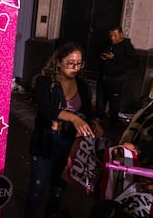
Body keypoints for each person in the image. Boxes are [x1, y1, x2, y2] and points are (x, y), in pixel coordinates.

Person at [25, 42, 104, 218]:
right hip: (46, 142)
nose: (75, 67)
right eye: (71, 63)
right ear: (59, 62)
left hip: (68, 143)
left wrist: (94, 123)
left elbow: (88, 113)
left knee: (58, 189)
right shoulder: (44, 81)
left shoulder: (83, 85)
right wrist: (73, 117)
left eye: (79, 63)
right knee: (37, 189)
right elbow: (46, 109)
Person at [95, 25, 136, 128]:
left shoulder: (126, 45)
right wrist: (101, 56)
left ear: (121, 34)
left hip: (116, 78)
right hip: (103, 76)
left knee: (114, 100)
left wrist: (115, 57)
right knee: (100, 99)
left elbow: (132, 62)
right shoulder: (107, 42)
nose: (112, 38)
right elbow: (98, 52)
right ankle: (98, 118)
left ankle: (113, 121)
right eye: (111, 36)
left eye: (115, 36)